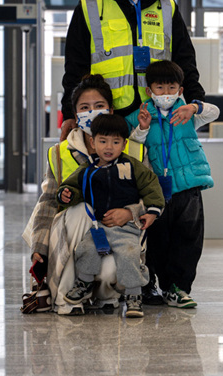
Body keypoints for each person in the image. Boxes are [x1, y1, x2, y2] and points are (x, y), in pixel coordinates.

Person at [59, 0, 206, 141]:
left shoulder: (166, 6)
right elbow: (75, 66)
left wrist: (196, 101)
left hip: (159, 112)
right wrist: (70, 113)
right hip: (109, 116)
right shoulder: (89, 7)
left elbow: (185, 60)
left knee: (159, 173)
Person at [23, 74, 154, 315]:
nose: (92, 112)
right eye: (85, 107)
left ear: (111, 110)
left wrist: (129, 212)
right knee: (83, 210)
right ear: (75, 114)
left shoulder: (133, 148)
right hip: (70, 235)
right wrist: (38, 247)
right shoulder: (59, 153)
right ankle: (65, 298)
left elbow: (150, 197)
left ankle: (105, 296)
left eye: (99, 106)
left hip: (117, 233)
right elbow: (47, 202)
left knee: (109, 270)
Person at [125, 60, 219, 309]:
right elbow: (128, 140)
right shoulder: (142, 114)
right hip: (157, 191)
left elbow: (215, 112)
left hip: (189, 188)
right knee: (158, 240)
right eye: (159, 87)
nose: (165, 93)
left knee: (188, 238)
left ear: (180, 89)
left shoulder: (186, 113)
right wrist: (143, 129)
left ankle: (179, 288)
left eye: (171, 87)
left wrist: (194, 106)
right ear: (149, 90)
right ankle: (154, 285)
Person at [57, 113, 165, 318]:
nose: (109, 147)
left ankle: (134, 296)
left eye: (115, 142)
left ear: (124, 144)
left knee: (129, 254)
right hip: (98, 227)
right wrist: (66, 194)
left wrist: (152, 211)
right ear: (92, 141)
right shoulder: (88, 170)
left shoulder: (132, 166)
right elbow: (72, 188)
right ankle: (84, 283)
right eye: (103, 141)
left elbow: (152, 187)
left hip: (127, 228)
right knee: (86, 249)